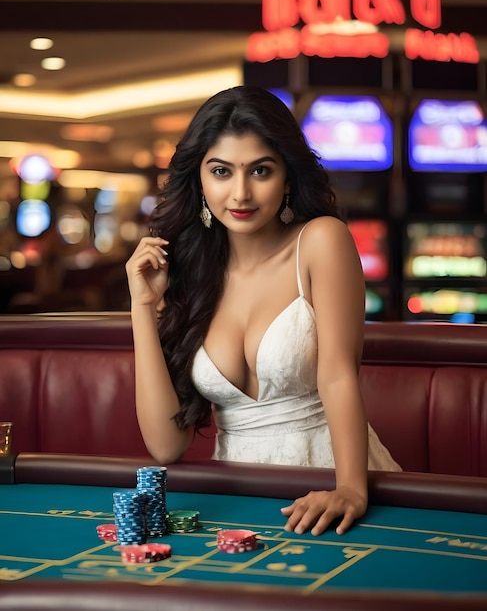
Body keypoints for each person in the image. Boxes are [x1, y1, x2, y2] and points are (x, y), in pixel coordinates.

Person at [125, 85, 401, 538]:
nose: (240, 192)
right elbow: (165, 445)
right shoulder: (190, 273)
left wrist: (350, 488)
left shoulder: (321, 241)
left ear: (288, 177)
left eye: (260, 170)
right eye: (221, 171)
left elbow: (338, 375)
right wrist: (141, 306)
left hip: (328, 486)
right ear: (199, 179)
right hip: (237, 507)